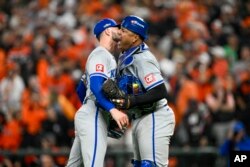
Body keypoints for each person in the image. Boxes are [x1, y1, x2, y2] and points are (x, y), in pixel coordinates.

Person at [113, 15, 176, 167]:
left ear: (135, 37)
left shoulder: (143, 58)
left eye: (124, 31)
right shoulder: (126, 56)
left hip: (155, 116)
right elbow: (134, 88)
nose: (119, 33)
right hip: (140, 117)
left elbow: (160, 91)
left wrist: (131, 101)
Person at [66, 18, 129, 167]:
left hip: (90, 113)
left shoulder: (105, 56)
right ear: (107, 30)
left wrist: (88, 113)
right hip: (94, 114)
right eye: (117, 28)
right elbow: (95, 86)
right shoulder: (101, 54)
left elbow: (81, 89)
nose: (120, 31)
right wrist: (111, 110)